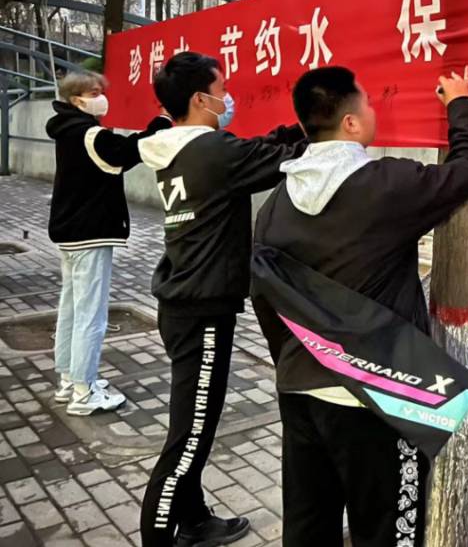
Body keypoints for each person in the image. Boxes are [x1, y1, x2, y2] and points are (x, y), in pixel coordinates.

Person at [252, 65, 468, 547]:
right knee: (387, 531)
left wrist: (302, 360)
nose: (374, 109)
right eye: (368, 102)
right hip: (378, 399)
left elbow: (265, 297)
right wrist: (460, 104)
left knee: (308, 527)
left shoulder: (277, 201)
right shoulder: (385, 185)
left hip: (300, 391)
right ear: (351, 122)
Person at [136, 52, 306, 547]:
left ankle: (194, 521)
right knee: (189, 439)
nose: (227, 99)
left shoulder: (180, 149)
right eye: (221, 90)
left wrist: (294, 127)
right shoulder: (212, 150)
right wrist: (319, 124)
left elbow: (256, 149)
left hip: (182, 304)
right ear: (199, 99)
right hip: (202, 312)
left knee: (191, 424)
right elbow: (277, 158)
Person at [47, 71, 171, 416]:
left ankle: (69, 380)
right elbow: (130, 151)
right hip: (89, 233)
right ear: (76, 99)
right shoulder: (90, 134)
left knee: (72, 309)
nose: (101, 97)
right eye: (93, 92)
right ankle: (84, 393)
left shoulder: (67, 129)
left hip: (70, 233)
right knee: (91, 315)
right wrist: (163, 120)